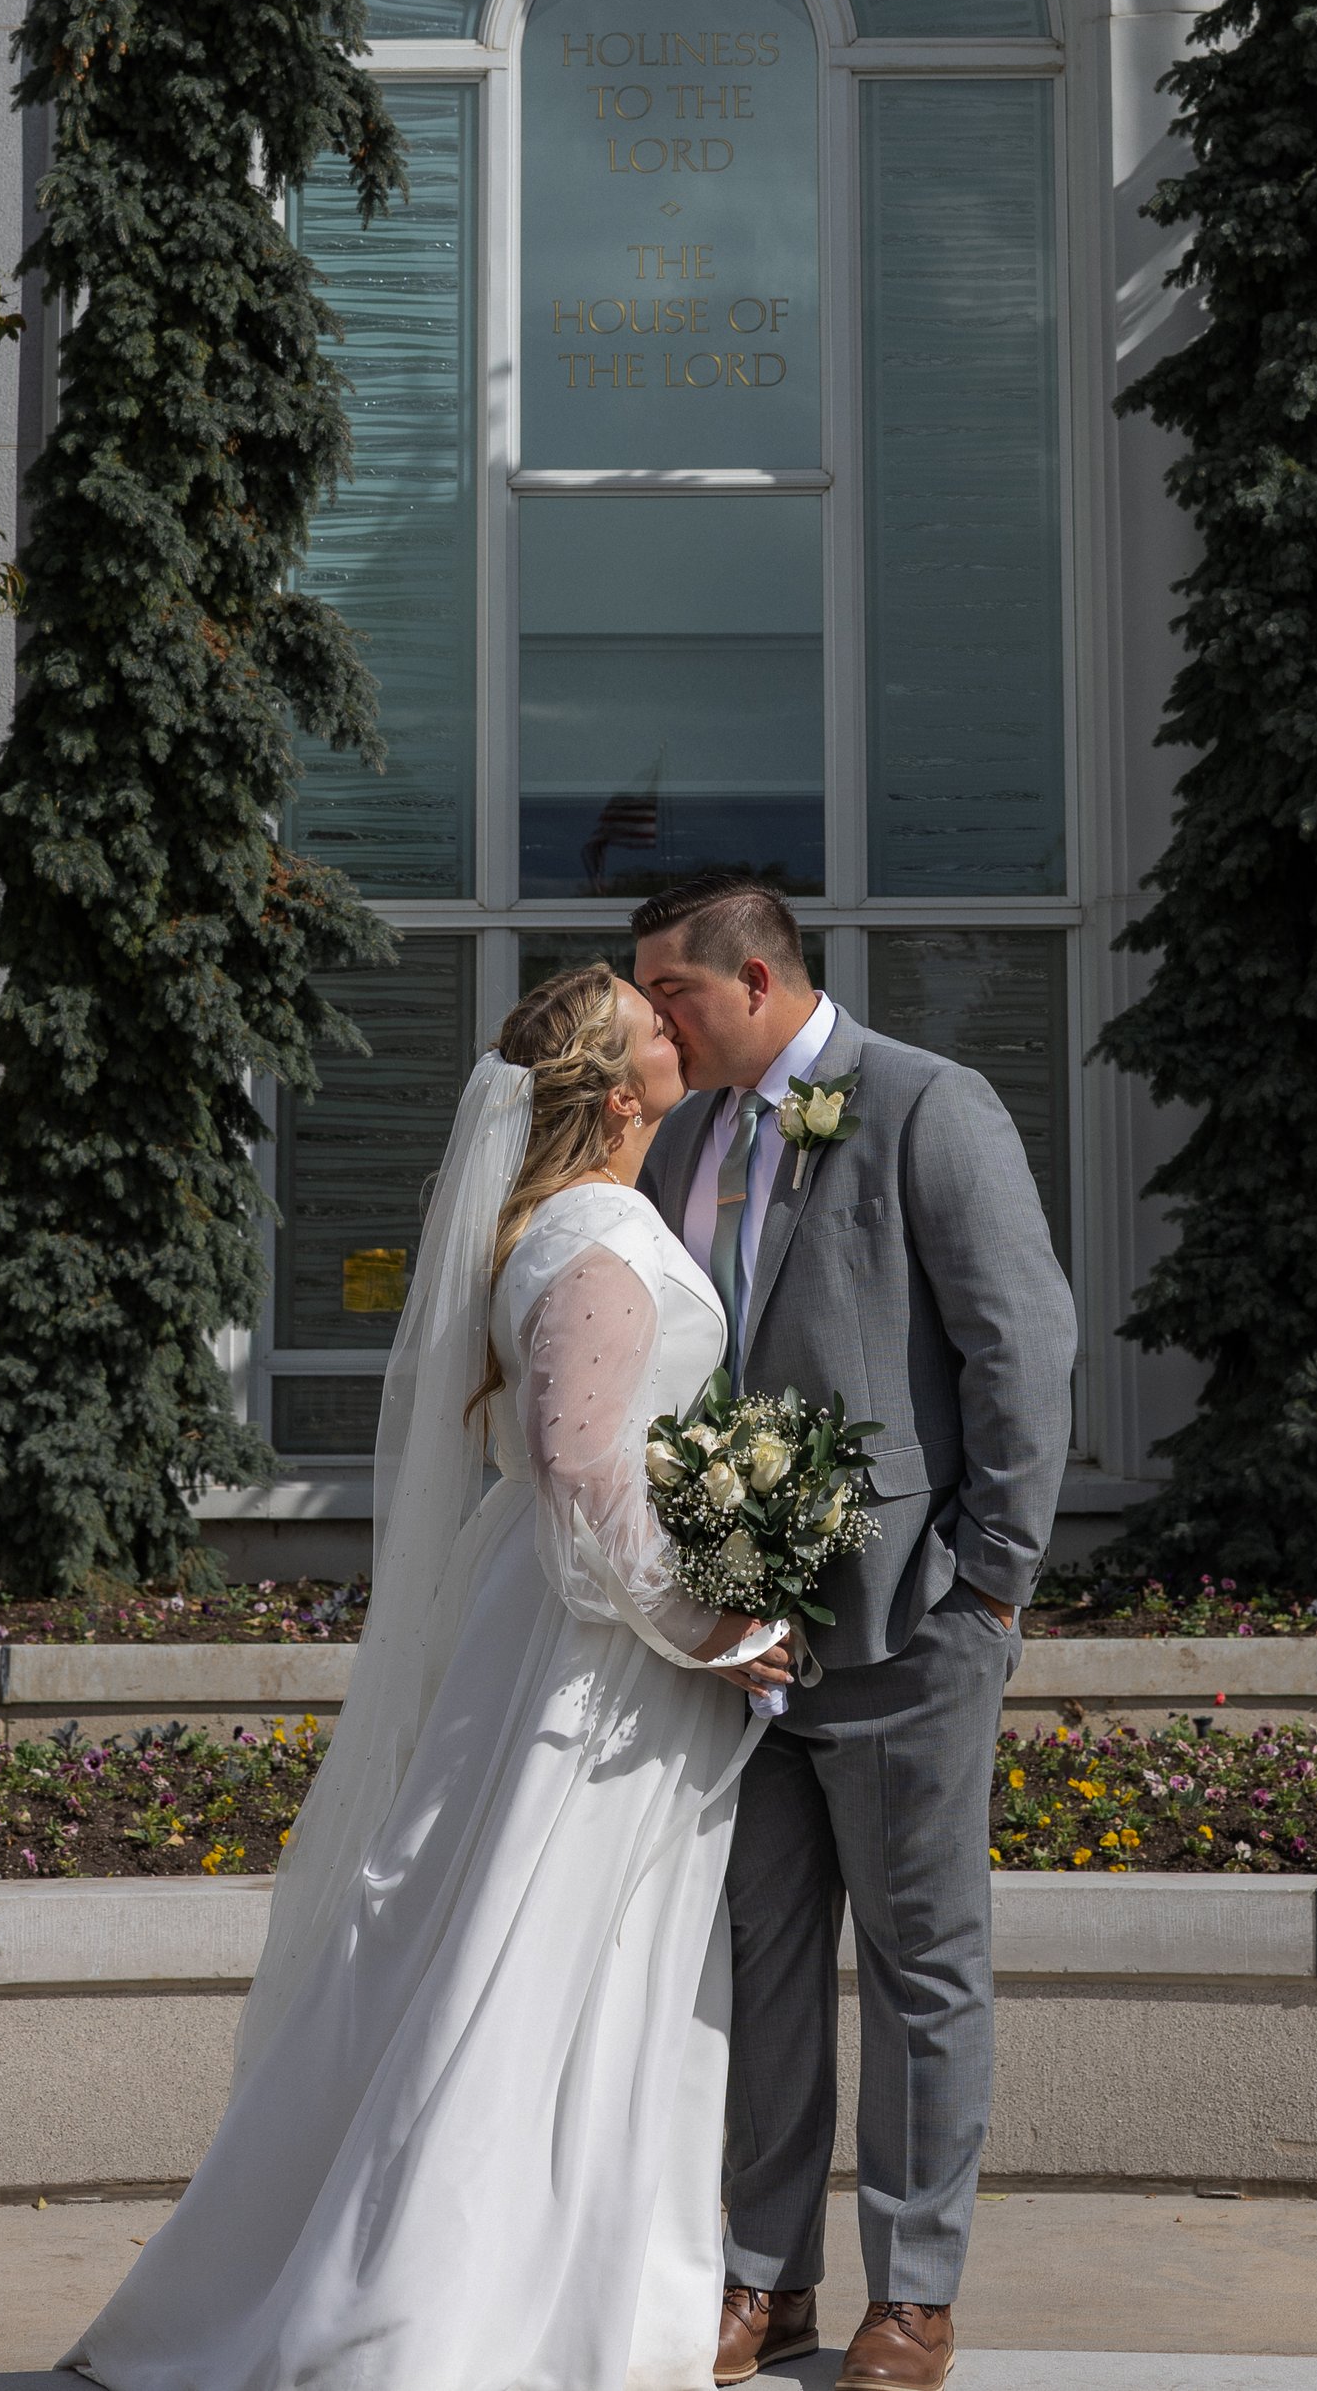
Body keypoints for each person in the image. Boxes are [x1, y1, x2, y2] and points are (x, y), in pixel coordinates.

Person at [66, 963, 789, 2391]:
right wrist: (719, 1625)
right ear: (615, 1083)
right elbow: (587, 1471)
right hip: (591, 1657)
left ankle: (577, 2272)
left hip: (569, 1630)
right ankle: (439, 2304)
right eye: (651, 1016)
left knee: (568, 1949)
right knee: (526, 1951)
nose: (673, 1017)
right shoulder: (590, 1236)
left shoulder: (581, 1224)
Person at [632, 874, 1078, 2391]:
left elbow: (1022, 1340)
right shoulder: (685, 1133)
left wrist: (993, 1581)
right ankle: (766, 2276)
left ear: (755, 978)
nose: (655, 1022)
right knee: (759, 1964)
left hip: (909, 1631)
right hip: (737, 1647)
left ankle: (917, 2286)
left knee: (920, 1968)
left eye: (674, 996)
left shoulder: (927, 1106)